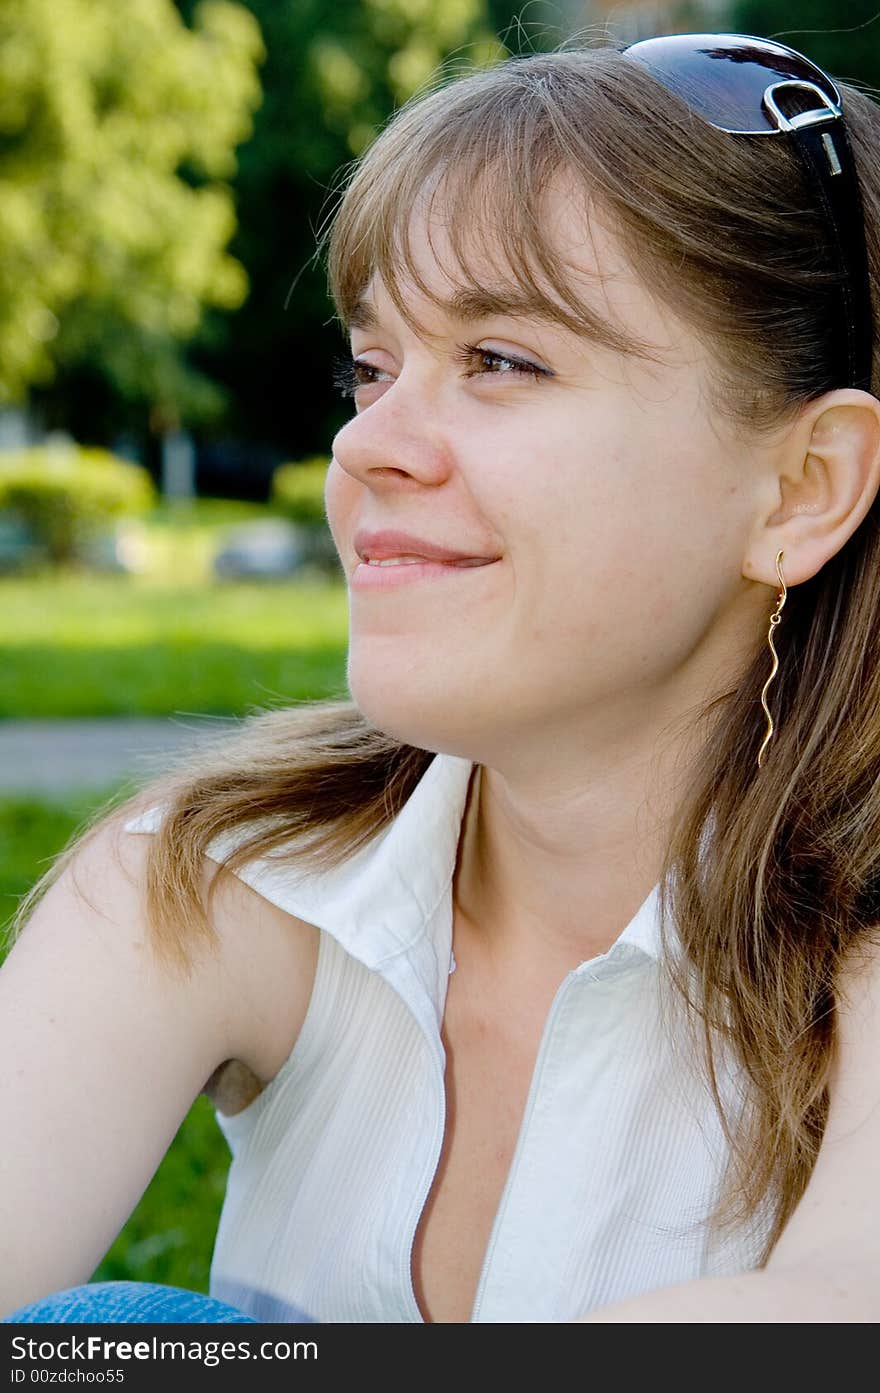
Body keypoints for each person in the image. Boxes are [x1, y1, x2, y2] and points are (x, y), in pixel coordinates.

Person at [3, 30, 880, 1325]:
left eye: (501, 361)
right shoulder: (210, 871)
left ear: (802, 489)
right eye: (372, 367)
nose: (369, 444)